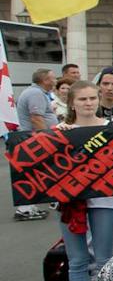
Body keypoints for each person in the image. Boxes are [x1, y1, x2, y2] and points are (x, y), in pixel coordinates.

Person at [58, 81, 113, 281]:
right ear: (72, 103)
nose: (88, 103)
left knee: (104, 259)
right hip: (70, 203)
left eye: (92, 98)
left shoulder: (112, 130)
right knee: (76, 260)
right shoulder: (60, 131)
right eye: (82, 99)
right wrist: (59, 136)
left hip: (104, 200)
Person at [13, 67, 58, 219]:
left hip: (31, 138)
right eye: (53, 78)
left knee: (34, 174)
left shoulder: (38, 93)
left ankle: (29, 207)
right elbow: (36, 118)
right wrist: (47, 139)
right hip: (32, 139)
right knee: (31, 174)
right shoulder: (35, 93)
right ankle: (25, 209)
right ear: (45, 80)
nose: (55, 80)